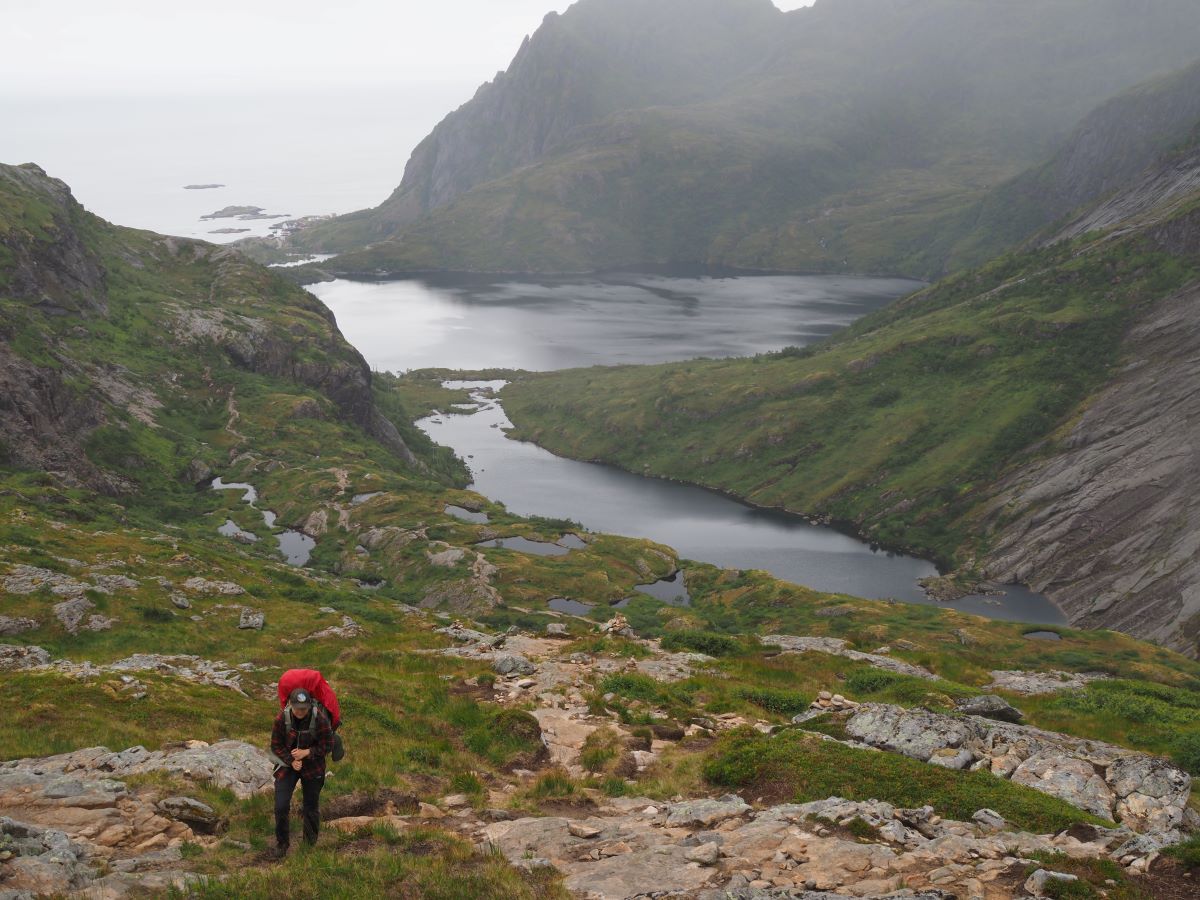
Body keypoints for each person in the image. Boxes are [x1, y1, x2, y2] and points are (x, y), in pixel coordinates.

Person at [270, 687, 333, 856]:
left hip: (314, 767)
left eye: (303, 708)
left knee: (311, 807)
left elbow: (328, 744)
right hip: (287, 766)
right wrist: (291, 761)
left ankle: (308, 846)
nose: (300, 711)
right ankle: (282, 844)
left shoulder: (319, 718)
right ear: (290, 704)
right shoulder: (281, 719)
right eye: (297, 707)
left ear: (310, 706)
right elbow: (275, 745)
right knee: (281, 805)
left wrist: (307, 753)